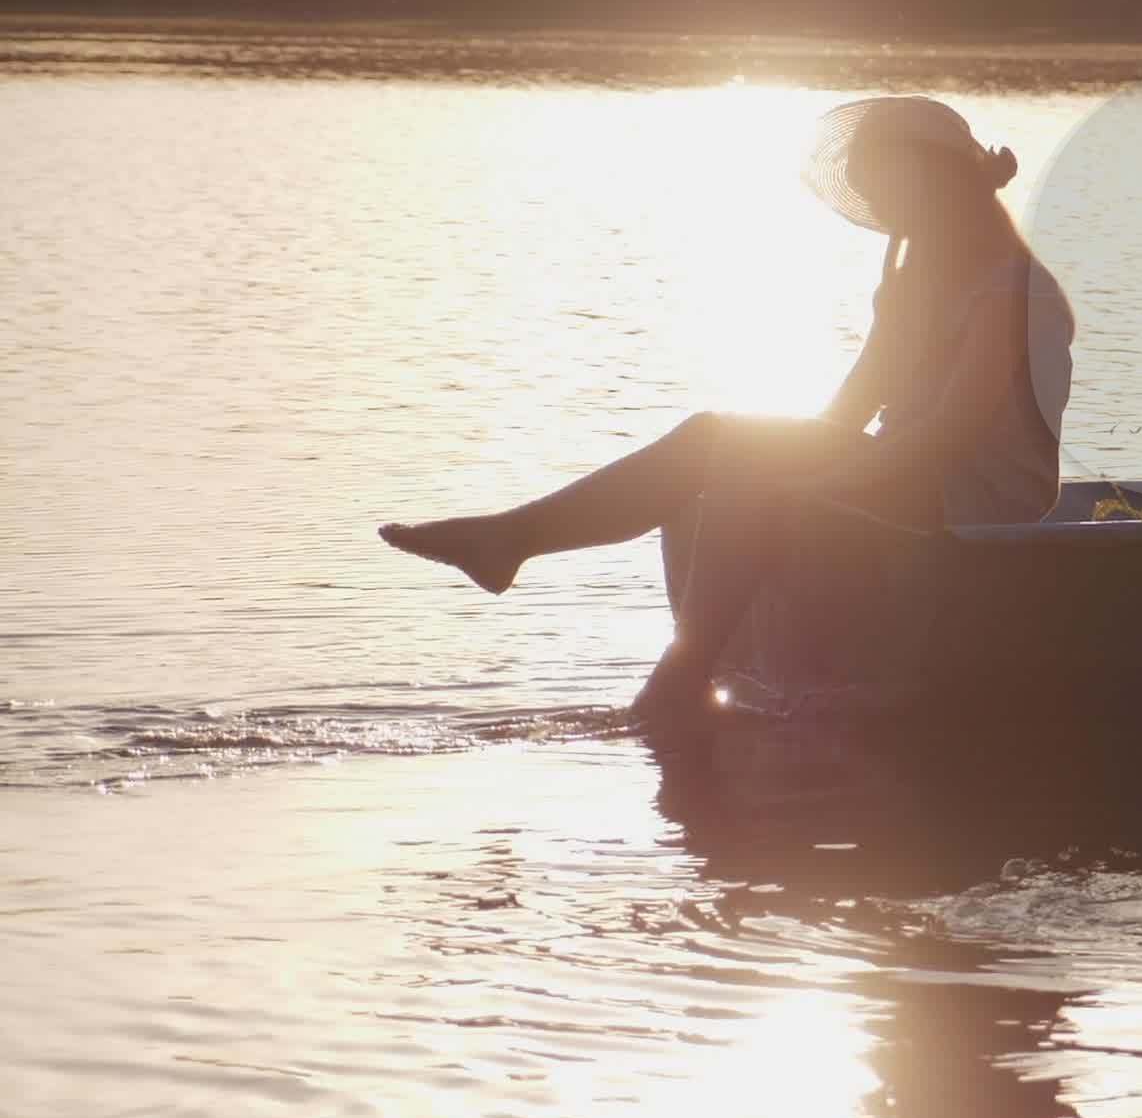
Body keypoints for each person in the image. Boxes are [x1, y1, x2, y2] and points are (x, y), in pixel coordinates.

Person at [379, 96, 1075, 714]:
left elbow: (945, 441)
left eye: (893, 194)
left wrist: (810, 481)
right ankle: (514, 542)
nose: (890, 218)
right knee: (715, 442)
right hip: (911, 481)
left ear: (936, 181)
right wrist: (879, 336)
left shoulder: (1014, 291)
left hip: (978, 508)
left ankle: (676, 679)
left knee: (746, 469)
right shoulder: (919, 280)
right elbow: (850, 414)